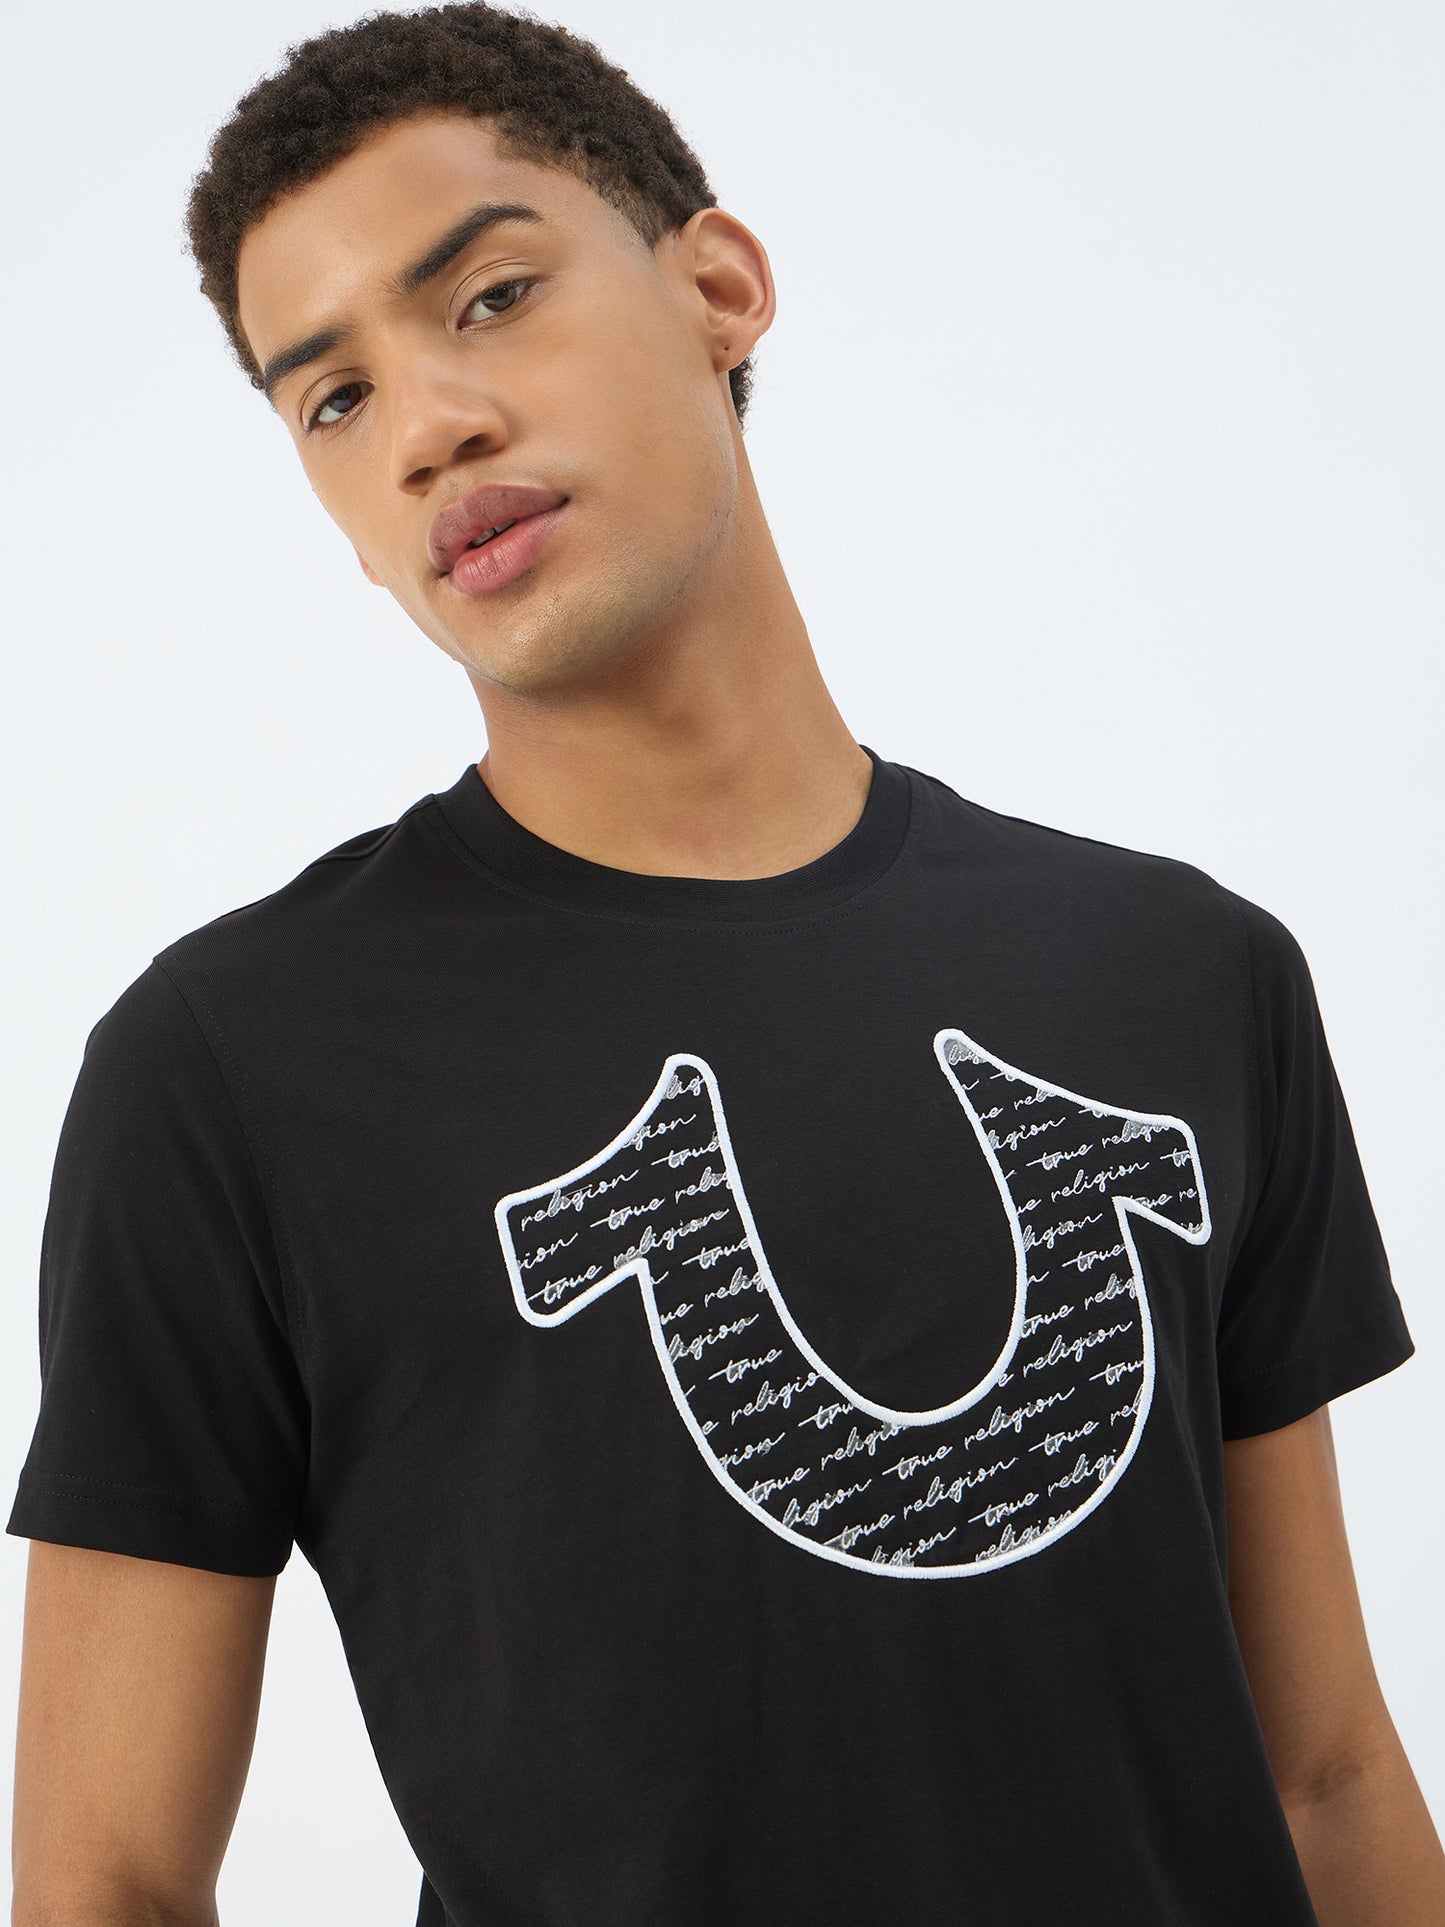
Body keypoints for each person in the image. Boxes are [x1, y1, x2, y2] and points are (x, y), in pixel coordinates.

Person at [7, 5, 1440, 1923]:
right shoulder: (229, 1071)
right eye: (331, 400)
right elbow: (103, 1881)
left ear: (719, 288)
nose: (429, 426)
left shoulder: (1186, 972)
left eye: (491, 297)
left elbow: (1325, 1774)